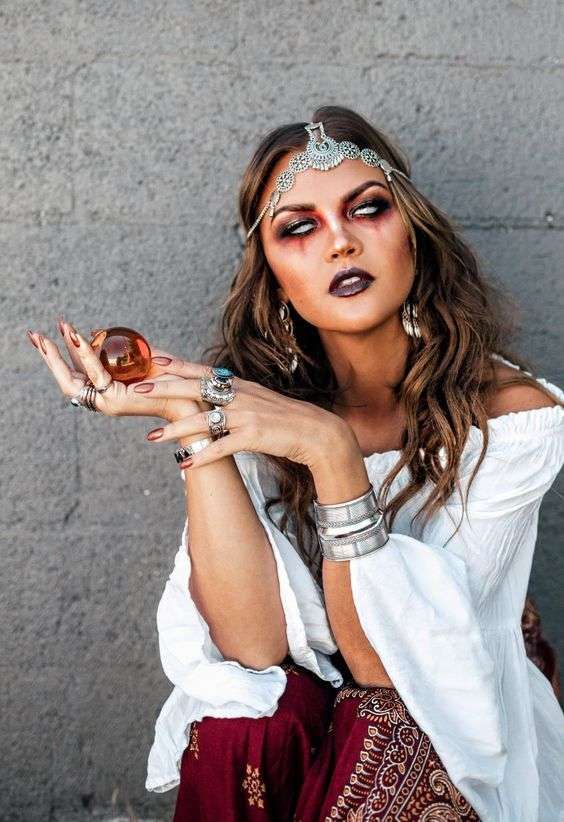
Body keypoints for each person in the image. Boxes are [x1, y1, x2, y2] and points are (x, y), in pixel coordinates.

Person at [27, 105, 564, 821]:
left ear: (414, 236)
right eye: (299, 228)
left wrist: (330, 451)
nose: (339, 243)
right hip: (326, 719)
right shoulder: (255, 407)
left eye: (367, 210)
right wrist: (192, 423)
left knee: (392, 727)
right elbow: (252, 647)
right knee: (246, 720)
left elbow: (396, 676)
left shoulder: (513, 417)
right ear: (277, 279)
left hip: (453, 722)